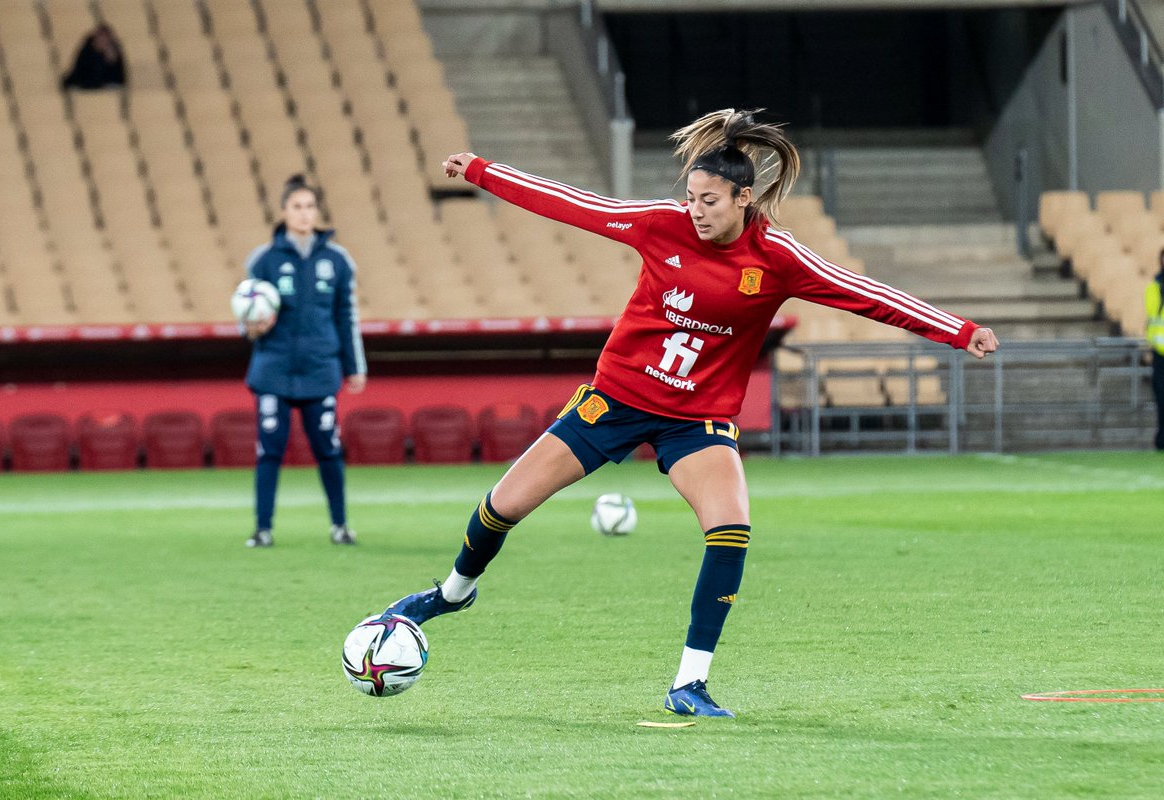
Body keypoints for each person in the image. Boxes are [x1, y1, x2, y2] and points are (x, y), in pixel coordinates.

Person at [381, 109, 1000, 716]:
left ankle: (689, 684)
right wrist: (484, 172)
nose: (696, 211)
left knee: (730, 530)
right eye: (691, 198)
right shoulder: (662, 225)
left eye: (709, 201)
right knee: (503, 506)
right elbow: (575, 205)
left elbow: (863, 294)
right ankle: (453, 593)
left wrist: (958, 330)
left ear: (743, 199)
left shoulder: (777, 256)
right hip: (615, 401)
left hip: (696, 420)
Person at [242, 175, 367, 548]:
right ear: (284, 212)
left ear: (317, 211)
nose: (304, 213)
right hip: (273, 370)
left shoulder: (337, 260)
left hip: (319, 369)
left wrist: (355, 366)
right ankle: (263, 529)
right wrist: (253, 327)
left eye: (310, 206)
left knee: (328, 449)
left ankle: (340, 526)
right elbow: (245, 312)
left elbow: (347, 316)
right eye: (297, 206)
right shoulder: (264, 259)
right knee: (270, 451)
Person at [61, 24, 126, 90]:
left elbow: (119, 77)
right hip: (85, 82)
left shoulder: (114, 50)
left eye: (105, 39)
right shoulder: (87, 50)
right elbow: (78, 70)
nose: (102, 41)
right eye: (100, 38)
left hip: (106, 84)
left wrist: (111, 60)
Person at [1146, 252, 1164, 450]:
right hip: (1159, 353)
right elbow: (1152, 313)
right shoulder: (1154, 287)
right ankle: (1162, 438)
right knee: (1161, 397)